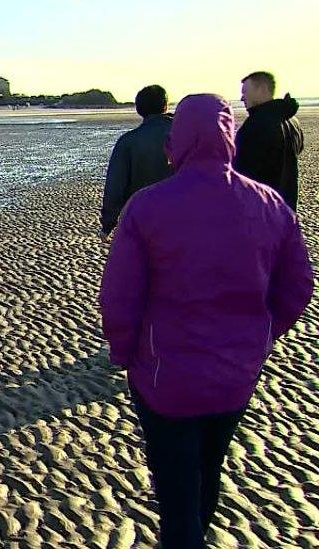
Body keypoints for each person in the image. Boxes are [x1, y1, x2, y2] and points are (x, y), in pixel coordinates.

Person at [100, 94, 313, 548]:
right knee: (207, 470)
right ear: (228, 136)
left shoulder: (147, 206)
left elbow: (119, 299)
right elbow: (297, 290)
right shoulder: (270, 203)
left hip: (164, 378)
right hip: (235, 374)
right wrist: (260, 336)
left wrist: (124, 351)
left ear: (178, 141)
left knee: (178, 494)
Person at [99, 85, 174, 240]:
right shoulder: (185, 135)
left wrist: (107, 224)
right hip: (182, 218)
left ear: (138, 109)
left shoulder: (128, 142)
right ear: (165, 106)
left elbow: (115, 187)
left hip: (142, 219)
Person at [235, 71, 306, 210]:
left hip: (262, 210)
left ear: (261, 90)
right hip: (288, 207)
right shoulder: (292, 120)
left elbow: (242, 172)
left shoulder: (255, 125)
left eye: (245, 92)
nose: (242, 98)